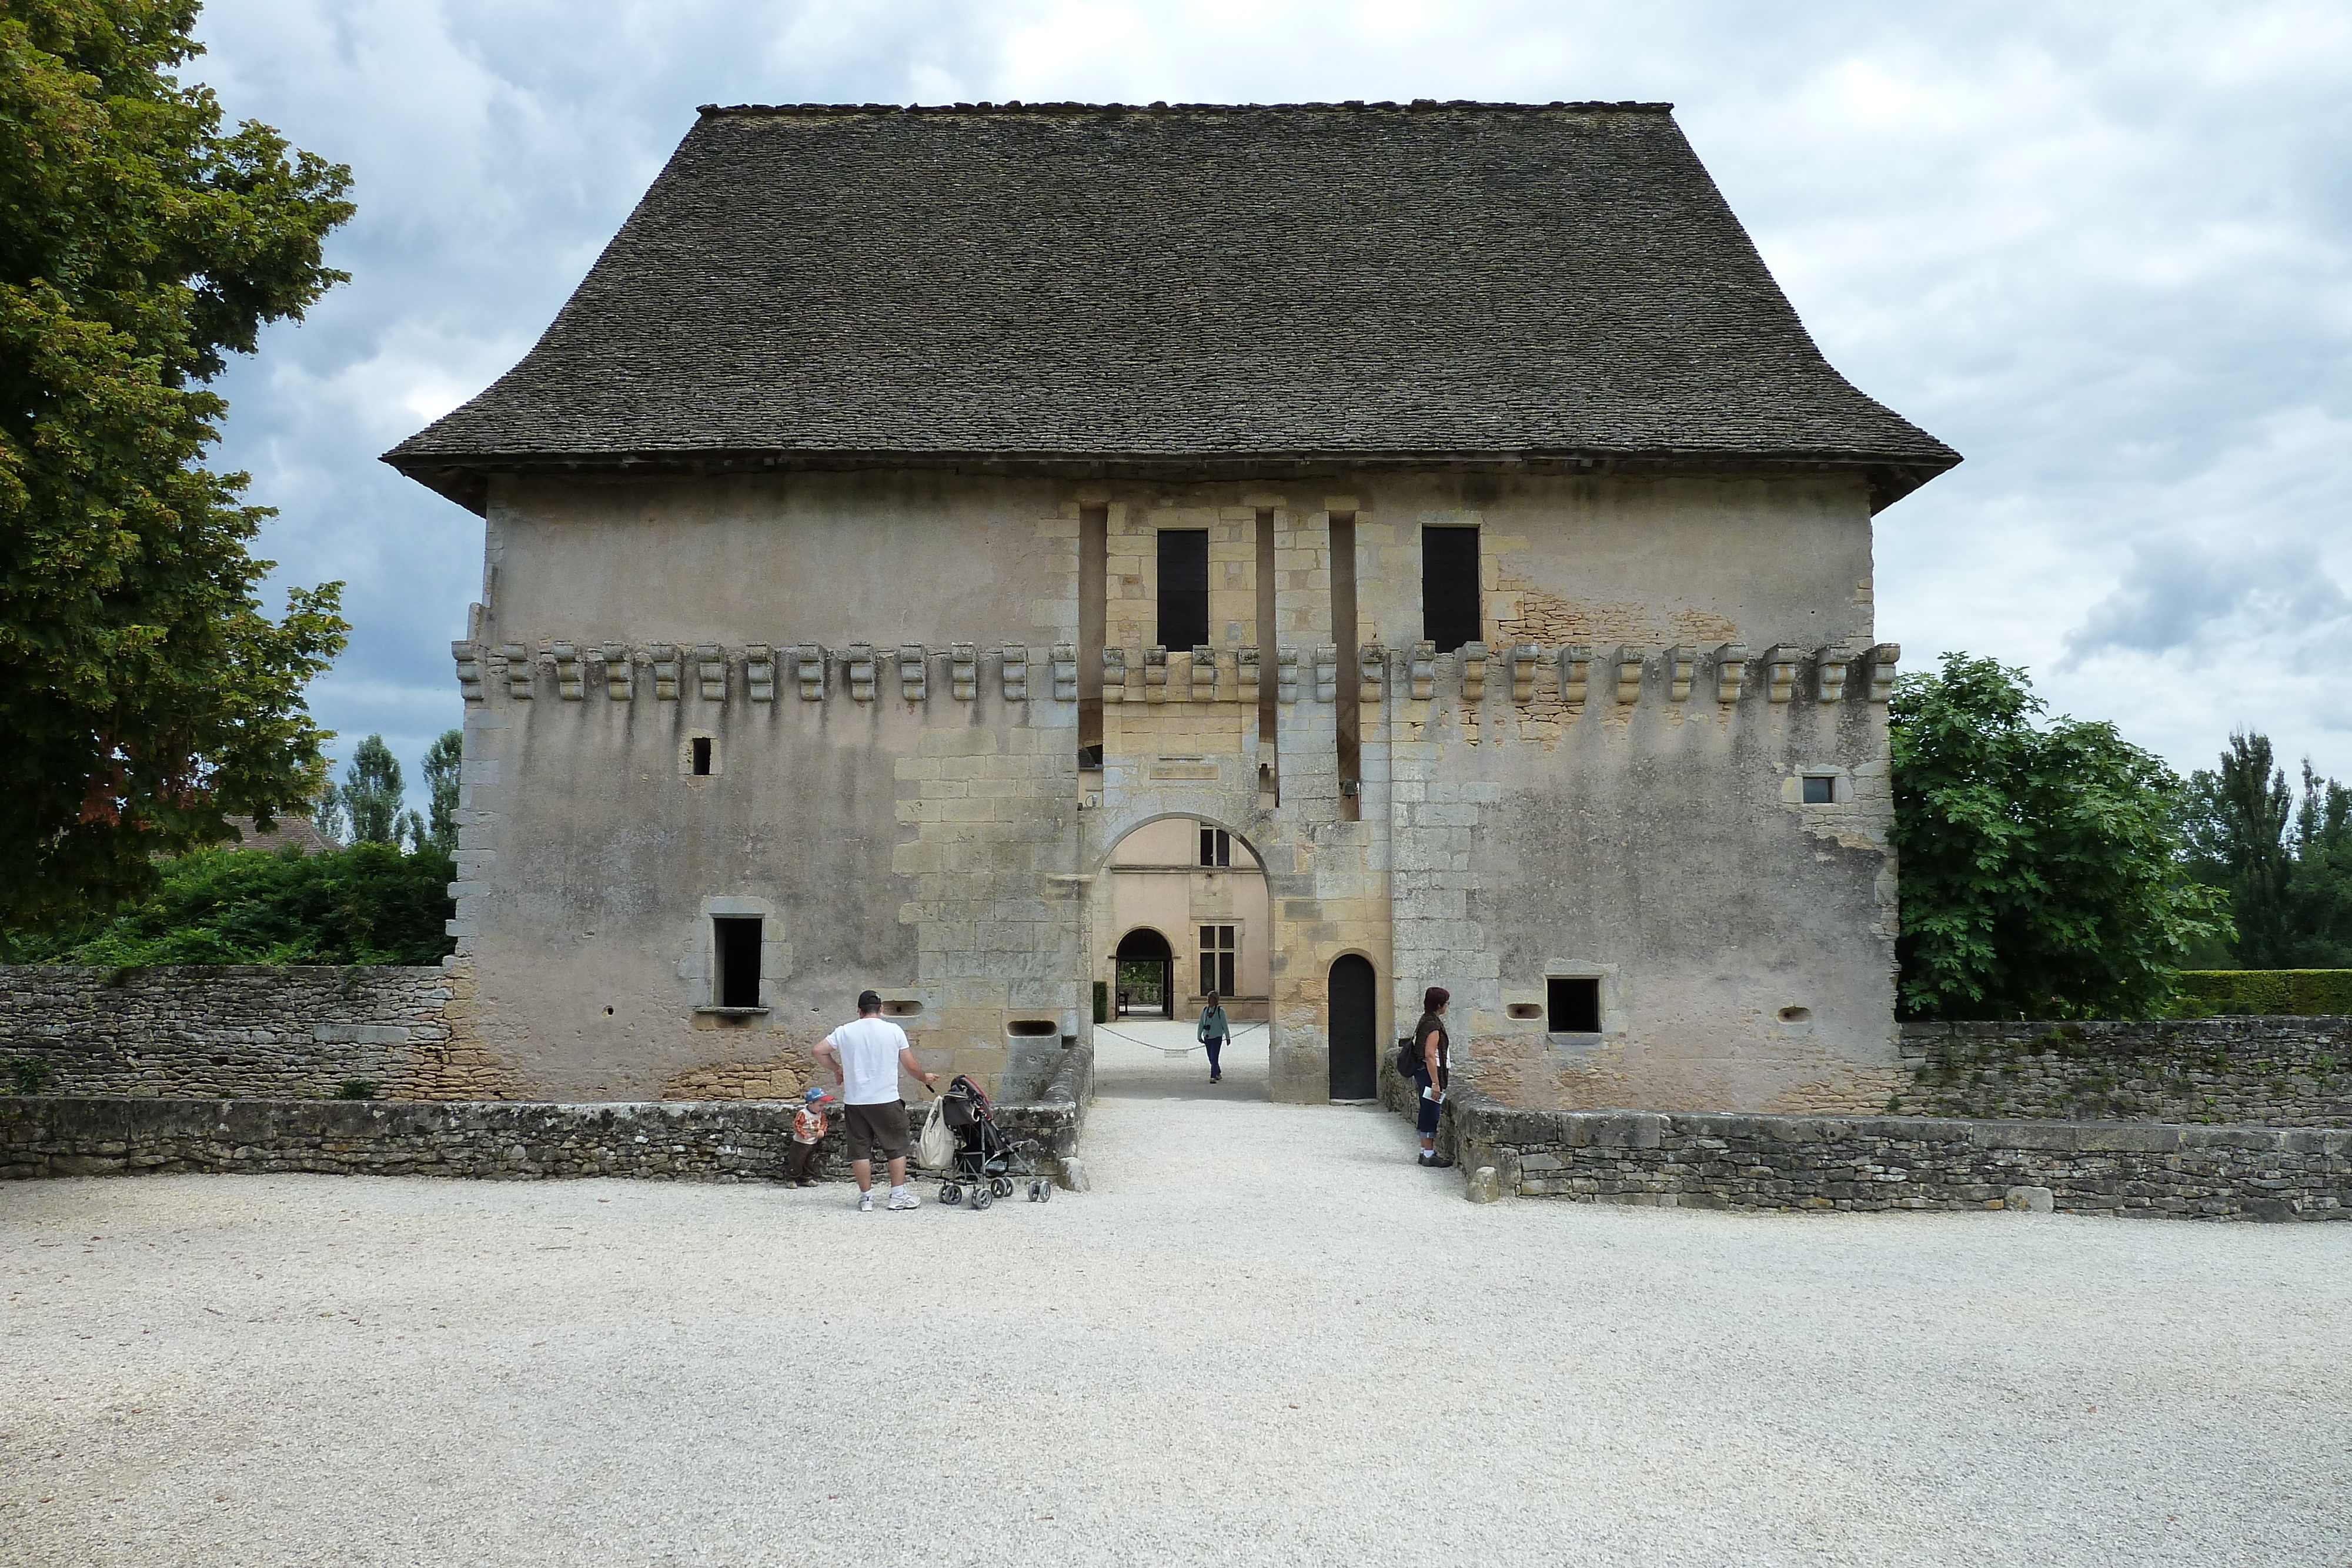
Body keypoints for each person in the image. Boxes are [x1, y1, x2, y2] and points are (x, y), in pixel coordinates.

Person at [813, 990, 938, 1211]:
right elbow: (910, 1065)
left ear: (859, 1011)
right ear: (881, 1009)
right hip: (886, 1099)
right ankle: (897, 1196)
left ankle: (866, 1199)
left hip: (855, 1101)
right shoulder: (893, 1031)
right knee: (897, 1148)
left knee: (860, 1151)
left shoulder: (845, 1032)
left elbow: (818, 1051)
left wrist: (837, 1069)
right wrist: (924, 1077)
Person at [1412, 985, 1453, 1168]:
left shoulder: (1425, 1020)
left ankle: (1424, 1152)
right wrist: (1436, 1083)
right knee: (1431, 1112)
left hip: (1423, 1073)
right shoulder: (1433, 1026)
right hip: (1431, 1073)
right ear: (1439, 1005)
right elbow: (1430, 1054)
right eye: (1446, 1003)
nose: (1447, 1006)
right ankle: (1429, 1154)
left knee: (1427, 1110)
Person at [785, 1085, 831, 1187]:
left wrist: (822, 1130)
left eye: (823, 1105)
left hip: (813, 1142)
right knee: (797, 1161)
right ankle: (791, 1178)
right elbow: (797, 1125)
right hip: (801, 1143)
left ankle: (807, 1178)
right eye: (820, 1105)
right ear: (811, 1104)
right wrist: (803, 1134)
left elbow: (824, 1123)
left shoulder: (821, 1114)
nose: (822, 1108)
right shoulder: (803, 1113)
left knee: (809, 1161)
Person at [1197, 991, 1230, 1083]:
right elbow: (1201, 1023)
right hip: (1207, 1036)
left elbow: (1225, 1025)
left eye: (1211, 999)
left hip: (1217, 1037)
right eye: (1208, 998)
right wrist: (1199, 1035)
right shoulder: (1205, 1010)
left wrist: (1228, 1037)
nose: (1209, 1001)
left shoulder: (1220, 1011)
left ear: (1216, 1000)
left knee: (1214, 1056)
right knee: (1210, 1057)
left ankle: (1213, 1076)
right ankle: (1218, 1071)